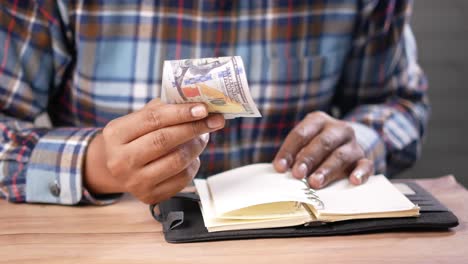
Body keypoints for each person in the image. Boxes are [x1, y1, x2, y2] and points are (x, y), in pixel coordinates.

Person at [0, 1, 428, 206]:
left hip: (294, 241)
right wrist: (94, 165)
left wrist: (361, 142)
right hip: (111, 240)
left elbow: (400, 104)